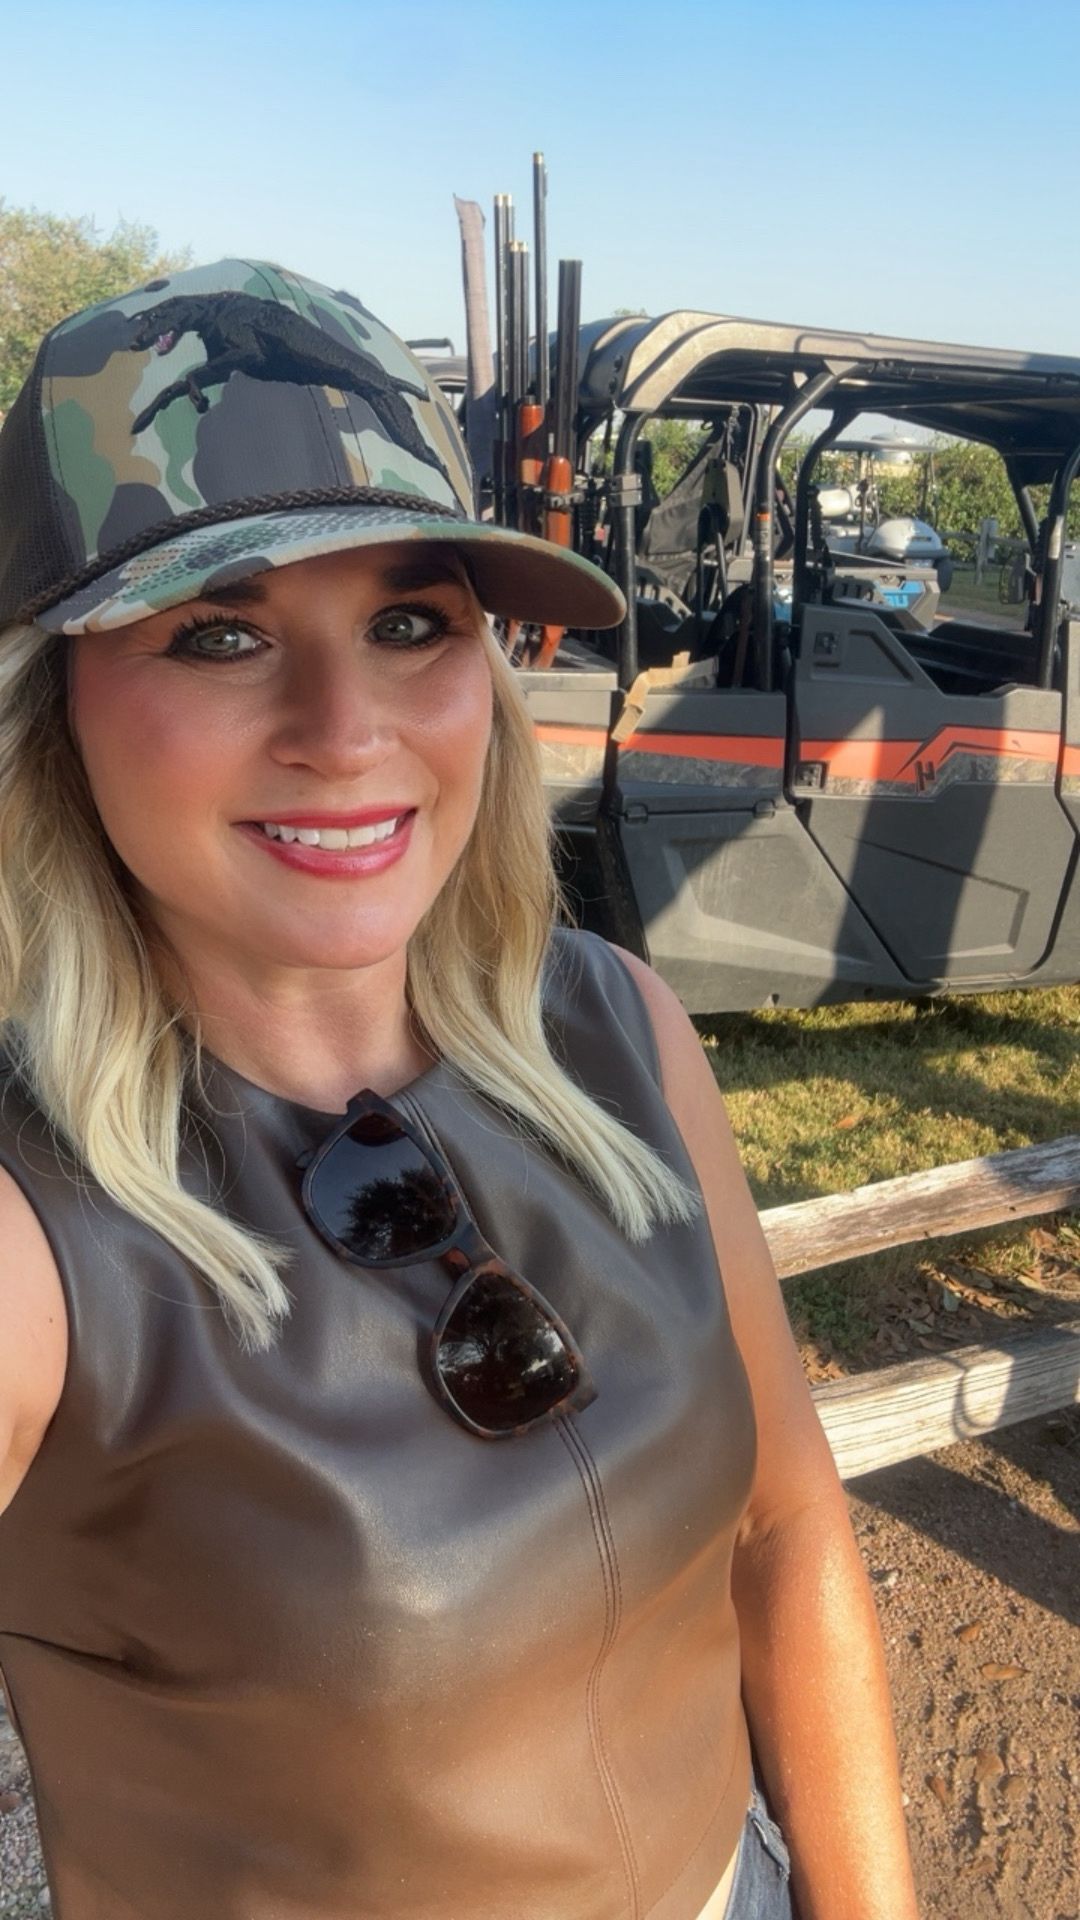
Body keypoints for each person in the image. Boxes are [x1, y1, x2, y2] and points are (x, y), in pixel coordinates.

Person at [0, 260, 919, 1920]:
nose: (344, 731)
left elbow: (787, 1528)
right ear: (53, 699)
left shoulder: (621, 1032)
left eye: (410, 622)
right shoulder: (32, 1219)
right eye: (221, 633)